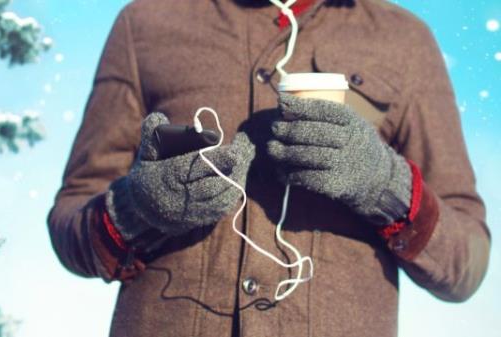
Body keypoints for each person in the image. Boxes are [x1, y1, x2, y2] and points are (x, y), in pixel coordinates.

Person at [47, 0, 491, 336]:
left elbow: (466, 267)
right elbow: (70, 220)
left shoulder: (405, 39)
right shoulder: (144, 23)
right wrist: (137, 207)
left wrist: (383, 183)